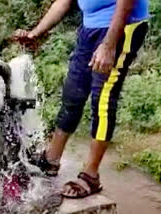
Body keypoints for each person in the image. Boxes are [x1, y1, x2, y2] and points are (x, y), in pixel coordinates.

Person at [14, 0, 149, 198]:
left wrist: (109, 45)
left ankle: (90, 175)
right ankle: (51, 159)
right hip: (90, 27)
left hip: (122, 28)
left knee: (102, 99)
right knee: (73, 93)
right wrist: (36, 32)